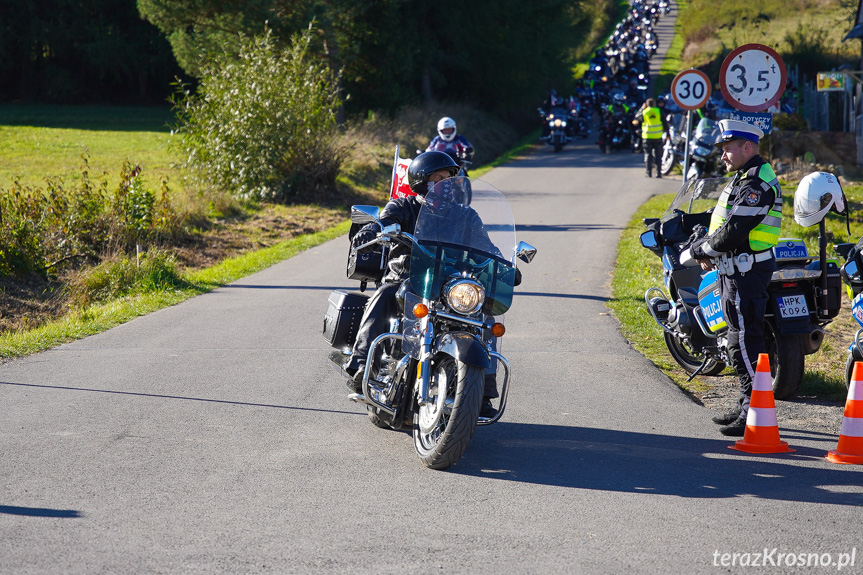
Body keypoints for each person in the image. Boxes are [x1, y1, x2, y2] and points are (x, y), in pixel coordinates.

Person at [344, 151, 506, 417]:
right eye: (439, 178)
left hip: (449, 285)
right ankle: (361, 364)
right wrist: (371, 231)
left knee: (482, 311)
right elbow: (385, 221)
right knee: (386, 294)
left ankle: (484, 390)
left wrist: (500, 262)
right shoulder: (403, 206)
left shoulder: (465, 215)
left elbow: (485, 245)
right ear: (421, 181)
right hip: (407, 278)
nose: (446, 184)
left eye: (449, 179)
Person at [687, 119, 783, 437]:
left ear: (747, 147)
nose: (723, 156)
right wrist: (705, 242)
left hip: (747, 270)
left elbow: (734, 231)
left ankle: (754, 411)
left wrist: (703, 249)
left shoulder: (757, 185)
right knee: (737, 339)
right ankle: (747, 405)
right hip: (736, 269)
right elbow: (725, 223)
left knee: (745, 341)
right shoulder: (745, 177)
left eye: (728, 149)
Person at [634, 98, 668, 178]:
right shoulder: (659, 111)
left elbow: (637, 117)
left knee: (648, 155)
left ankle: (648, 173)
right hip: (657, 137)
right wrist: (668, 134)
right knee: (658, 156)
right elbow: (665, 123)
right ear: (654, 104)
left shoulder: (644, 111)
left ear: (646, 104)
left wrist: (642, 108)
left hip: (647, 136)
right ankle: (658, 173)